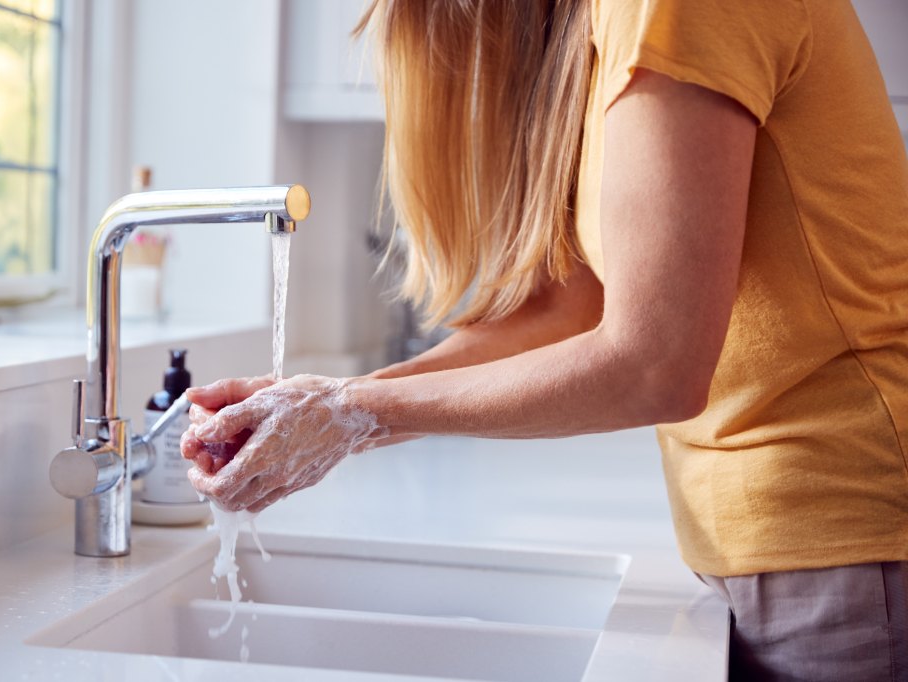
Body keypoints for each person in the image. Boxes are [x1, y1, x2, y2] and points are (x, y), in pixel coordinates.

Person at [182, 0, 908, 678]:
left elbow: (654, 365)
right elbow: (575, 305)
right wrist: (331, 405)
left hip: (847, 535)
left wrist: (351, 414)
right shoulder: (611, 20)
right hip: (785, 548)